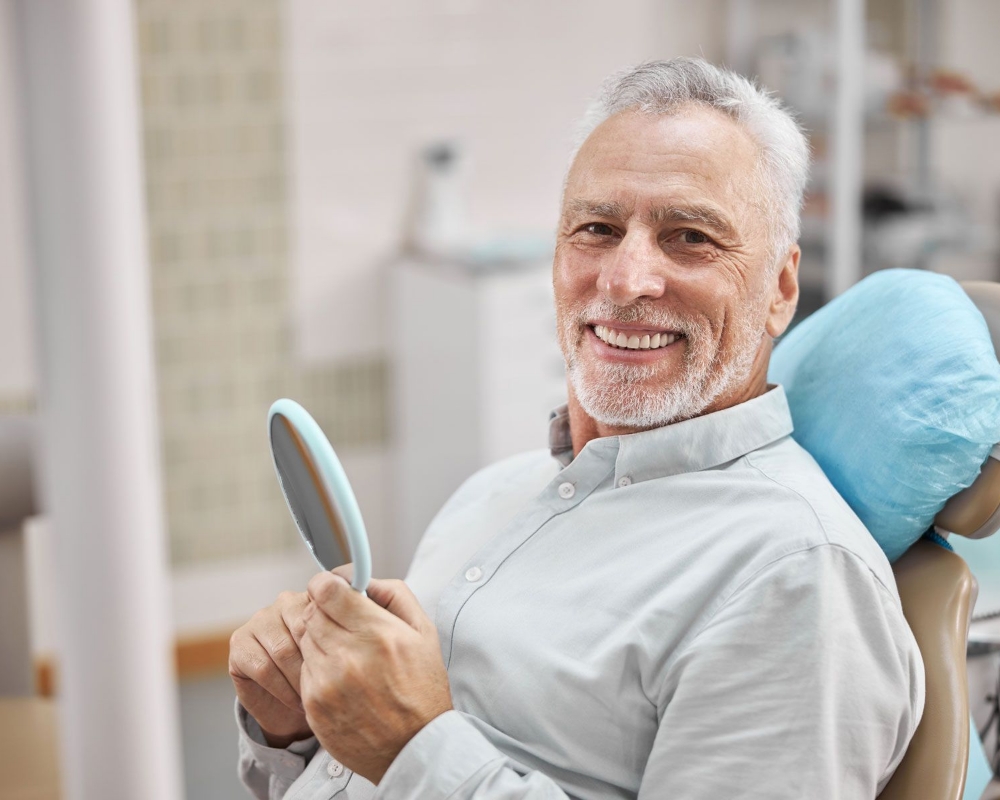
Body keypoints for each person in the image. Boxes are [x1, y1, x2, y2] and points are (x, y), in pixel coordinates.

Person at [230, 58, 924, 800]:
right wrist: (294, 731)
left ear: (781, 287)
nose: (625, 280)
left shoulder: (795, 577)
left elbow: (408, 757)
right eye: (596, 228)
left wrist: (416, 749)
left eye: (689, 237)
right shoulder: (490, 494)